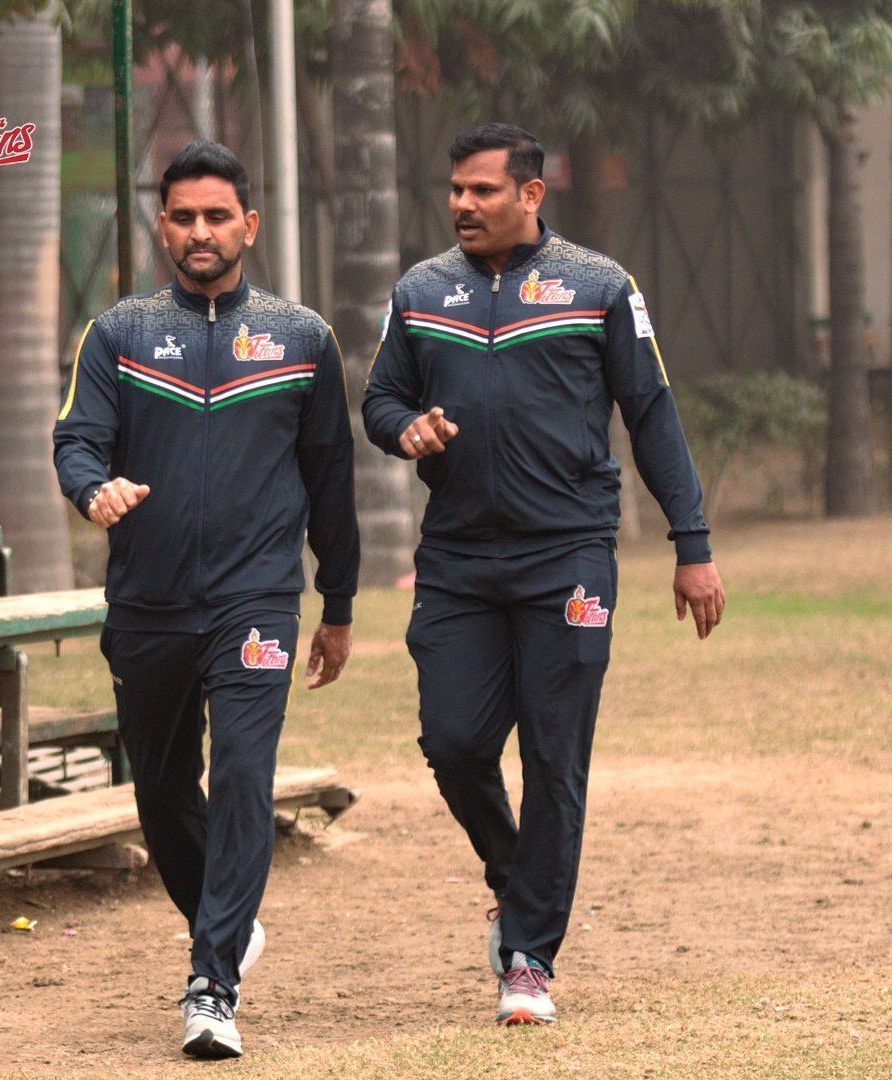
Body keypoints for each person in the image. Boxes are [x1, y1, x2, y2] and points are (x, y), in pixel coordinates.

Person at [363, 123, 725, 1026]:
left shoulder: (600, 285)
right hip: (455, 559)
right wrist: (405, 428)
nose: (462, 205)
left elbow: (650, 412)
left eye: (483, 191)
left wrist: (693, 543)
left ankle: (527, 958)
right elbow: (379, 397)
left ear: (532, 195)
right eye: (455, 190)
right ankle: (517, 876)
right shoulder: (421, 290)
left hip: (566, 552)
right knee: (452, 743)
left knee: (554, 758)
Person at [54, 140, 359, 1059]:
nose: (199, 231)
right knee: (158, 791)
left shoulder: (302, 339)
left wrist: (336, 603)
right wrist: (91, 490)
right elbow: (77, 441)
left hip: (256, 603)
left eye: (217, 216)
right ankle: (223, 919)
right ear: (162, 224)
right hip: (146, 605)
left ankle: (211, 981)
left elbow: (331, 482)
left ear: (249, 226)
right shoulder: (118, 333)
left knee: (240, 777)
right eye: (183, 216)